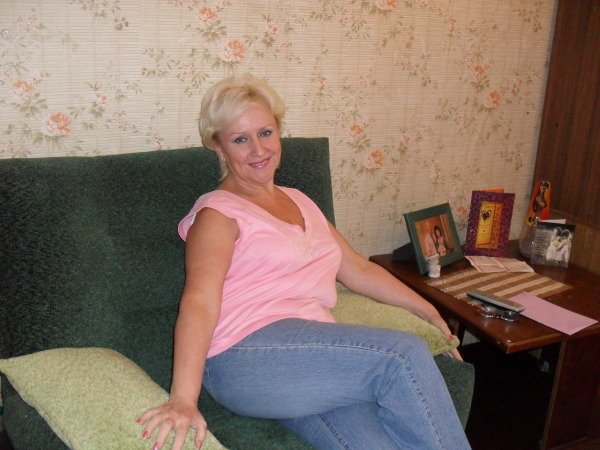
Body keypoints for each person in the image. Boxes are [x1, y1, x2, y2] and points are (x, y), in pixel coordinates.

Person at [136, 73, 470, 450]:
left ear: (279, 132)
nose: (258, 149)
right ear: (219, 147)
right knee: (402, 355)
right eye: (240, 139)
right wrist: (183, 398)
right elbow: (200, 300)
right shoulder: (218, 214)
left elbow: (359, 270)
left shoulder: (301, 201)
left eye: (265, 133)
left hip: (308, 357)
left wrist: (427, 311)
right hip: (243, 355)